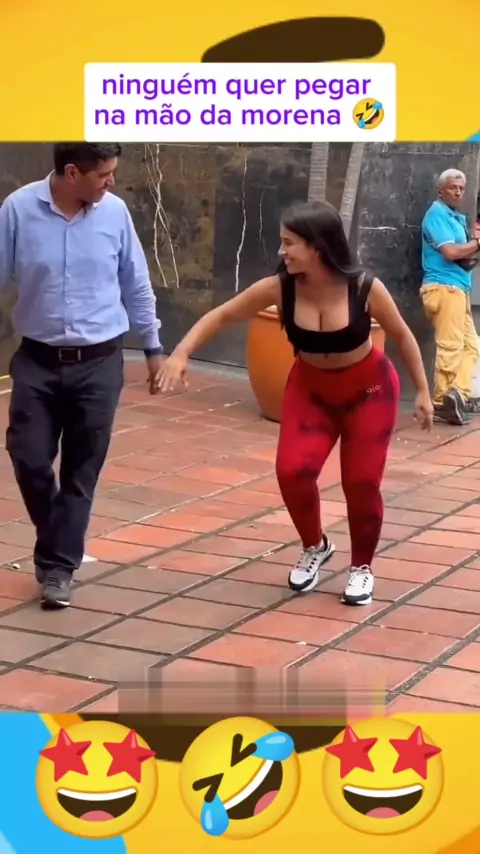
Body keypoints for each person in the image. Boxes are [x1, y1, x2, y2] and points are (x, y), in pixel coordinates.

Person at [157, 201, 433, 606]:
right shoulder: (280, 287)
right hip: (311, 391)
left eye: (289, 243)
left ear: (317, 247)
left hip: (369, 392)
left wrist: (422, 391)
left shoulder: (363, 287)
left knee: (360, 482)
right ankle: (315, 545)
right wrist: (180, 353)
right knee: (292, 472)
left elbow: (403, 335)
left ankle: (361, 566)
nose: (281, 251)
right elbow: (223, 315)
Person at [0, 143, 163, 609]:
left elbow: (136, 282)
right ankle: (60, 538)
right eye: (104, 174)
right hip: (37, 360)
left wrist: (153, 347)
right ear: (72, 173)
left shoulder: (115, 214)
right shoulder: (18, 210)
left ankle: (57, 568)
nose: (112, 181)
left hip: (99, 362)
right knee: (28, 456)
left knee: (81, 469)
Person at [420, 169, 480, 426]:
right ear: (440, 190)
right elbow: (451, 252)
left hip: (458, 288)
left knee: (472, 347)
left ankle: (456, 395)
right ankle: (441, 401)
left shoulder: (454, 217)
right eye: (453, 187)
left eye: (461, 188)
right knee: (451, 346)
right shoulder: (437, 214)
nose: (458, 192)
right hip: (444, 287)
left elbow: (461, 255)